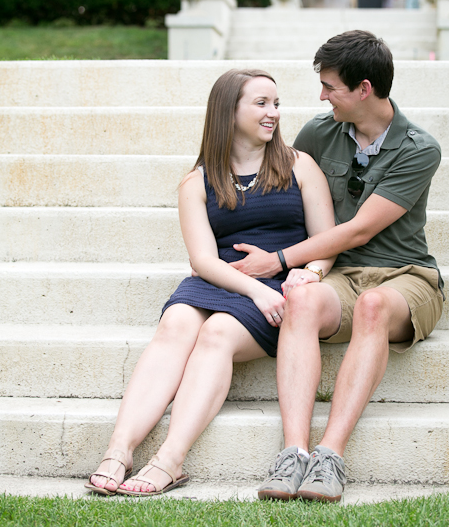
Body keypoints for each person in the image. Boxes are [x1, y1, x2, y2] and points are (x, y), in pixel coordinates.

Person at [86, 69, 336, 496]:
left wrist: (305, 274)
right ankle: (119, 450)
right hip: (221, 281)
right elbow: (201, 259)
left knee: (217, 332)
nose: (273, 112)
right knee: (177, 323)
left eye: (275, 103)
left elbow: (326, 241)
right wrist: (252, 288)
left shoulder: (299, 166)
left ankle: (170, 460)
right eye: (261, 103)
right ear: (228, 110)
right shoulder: (197, 181)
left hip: (279, 286)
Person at [230, 31, 444, 503]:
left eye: (330, 86)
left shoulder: (419, 148)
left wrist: (282, 259)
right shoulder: (316, 134)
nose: (321, 95)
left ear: (364, 89)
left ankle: (331, 456)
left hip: (405, 276)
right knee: (300, 298)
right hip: (339, 275)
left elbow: (360, 230)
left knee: (372, 306)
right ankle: (293, 452)